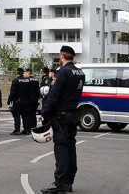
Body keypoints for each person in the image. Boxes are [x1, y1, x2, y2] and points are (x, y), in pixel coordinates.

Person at [39, 46, 85, 194]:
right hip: (72, 114)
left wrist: (44, 112)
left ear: (62, 56)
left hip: (61, 116)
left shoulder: (62, 72)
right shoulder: (80, 73)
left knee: (61, 149)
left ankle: (59, 183)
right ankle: (68, 182)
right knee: (71, 147)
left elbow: (54, 95)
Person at [16, 68, 40, 135]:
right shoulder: (36, 80)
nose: (24, 74)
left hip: (29, 99)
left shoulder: (27, 80)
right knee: (33, 114)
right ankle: (34, 127)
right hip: (35, 99)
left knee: (28, 114)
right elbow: (38, 90)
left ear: (28, 73)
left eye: (25, 73)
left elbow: (27, 90)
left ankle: (28, 129)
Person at [8, 68, 25, 135]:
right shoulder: (27, 80)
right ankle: (26, 129)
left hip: (18, 101)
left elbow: (13, 92)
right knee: (25, 116)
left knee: (16, 115)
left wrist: (9, 100)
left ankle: (17, 129)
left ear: (17, 73)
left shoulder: (15, 81)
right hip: (26, 101)